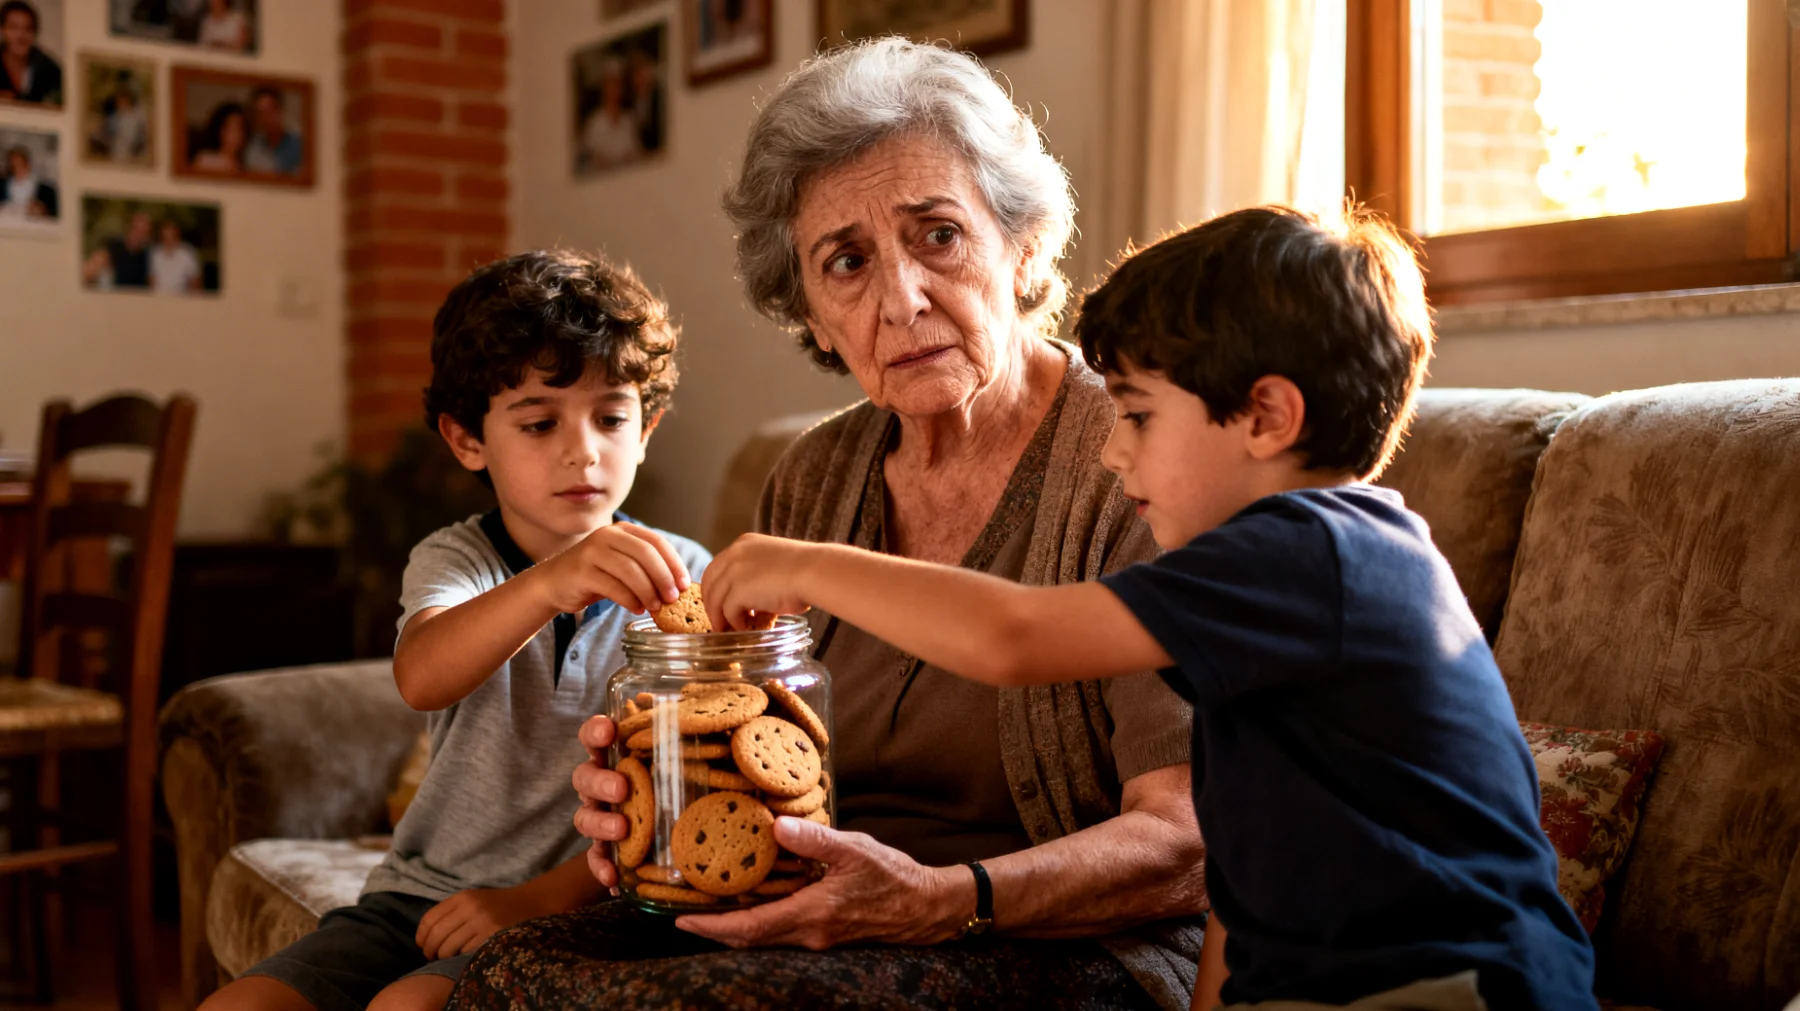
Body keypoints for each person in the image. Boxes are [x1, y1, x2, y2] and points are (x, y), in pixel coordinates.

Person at [453, 38, 1205, 1011]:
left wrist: (938, 901)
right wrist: (662, 802)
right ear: (808, 311)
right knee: (506, 974)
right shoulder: (814, 479)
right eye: (845, 262)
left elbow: (1184, 843)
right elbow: (744, 750)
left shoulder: (1136, 456)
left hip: (1064, 936)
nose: (901, 299)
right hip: (815, 908)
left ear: (1021, 245)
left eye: (938, 235)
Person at [698, 206, 1602, 1011]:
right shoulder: (1269, 590)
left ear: (1266, 417)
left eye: (1135, 415)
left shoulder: (1311, 553)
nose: (1112, 452)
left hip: (1456, 981)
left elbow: (1013, 635)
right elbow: (1240, 887)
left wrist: (808, 565)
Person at [198, 250, 710, 1011]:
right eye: (539, 423)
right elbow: (422, 675)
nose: (584, 449)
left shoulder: (684, 574)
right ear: (468, 440)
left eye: (611, 416)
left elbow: (681, 790)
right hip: (416, 894)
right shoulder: (457, 558)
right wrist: (550, 583)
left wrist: (538, 898)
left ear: (647, 428)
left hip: (590, 905)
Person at [578, 56, 640, 172]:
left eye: (618, 85)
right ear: (604, 88)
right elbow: (590, 158)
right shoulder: (594, 123)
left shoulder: (629, 120)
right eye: (611, 84)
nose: (615, 90)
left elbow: (636, 153)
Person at [0, 0, 61, 106]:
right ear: (2, 29)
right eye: (13, 28)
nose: (21, 35)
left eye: (28, 29)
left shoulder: (49, 69)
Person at [83, 210, 153, 289]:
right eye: (136, 230)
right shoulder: (114, 247)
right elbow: (90, 268)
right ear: (129, 229)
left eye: (144, 232)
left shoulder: (146, 257)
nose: (139, 236)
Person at [244, 85, 303, 174]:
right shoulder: (253, 148)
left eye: (270, 111)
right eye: (260, 113)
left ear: (280, 111)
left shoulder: (299, 147)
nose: (265, 118)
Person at [94, 74, 149, 162]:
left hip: (131, 156)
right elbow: (104, 135)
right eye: (119, 100)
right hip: (114, 154)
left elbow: (140, 140)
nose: (121, 103)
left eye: (124, 100)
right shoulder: (112, 118)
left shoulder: (136, 119)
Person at [149, 219, 202, 295]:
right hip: (159, 297)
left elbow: (195, 281)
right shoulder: (155, 253)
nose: (168, 236)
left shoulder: (188, 252)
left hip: (181, 298)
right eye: (165, 233)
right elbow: (152, 280)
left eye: (170, 232)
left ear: (177, 233)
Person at [191, 101, 246, 172]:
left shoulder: (245, 166)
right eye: (230, 129)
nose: (236, 135)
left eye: (240, 128)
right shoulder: (205, 160)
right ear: (220, 131)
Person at [2, 144, 55, 219]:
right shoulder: (4, 185)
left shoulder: (45, 189)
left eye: (20, 163)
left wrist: (42, 209)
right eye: (14, 163)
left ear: (27, 163)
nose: (17, 166)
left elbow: (52, 212)